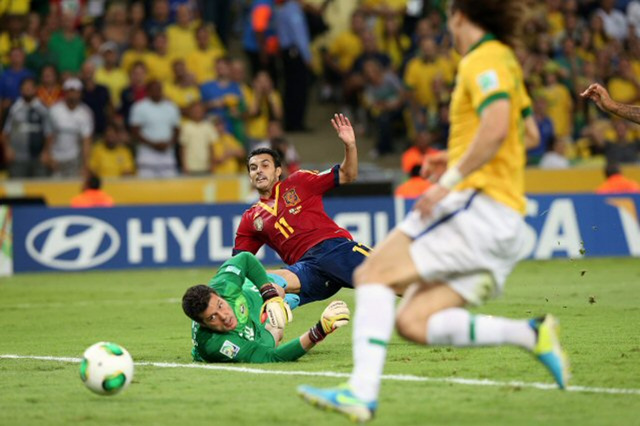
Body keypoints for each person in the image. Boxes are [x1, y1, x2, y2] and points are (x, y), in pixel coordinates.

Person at [298, 2, 569, 422]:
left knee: (372, 274)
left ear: (460, 15)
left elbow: (498, 127)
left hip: (477, 204)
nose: (448, 27)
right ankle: (530, 334)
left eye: (449, 19)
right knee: (414, 321)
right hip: (500, 217)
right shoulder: (506, 63)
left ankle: (361, 393)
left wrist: (447, 182)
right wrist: (455, 155)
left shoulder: (484, 58)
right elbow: (527, 132)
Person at [233, 114, 369, 309]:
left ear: (278, 171)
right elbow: (238, 262)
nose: (259, 171)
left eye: (265, 165)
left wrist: (350, 145)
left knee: (395, 281)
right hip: (306, 270)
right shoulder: (250, 219)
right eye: (253, 168)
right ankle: (276, 317)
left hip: (334, 250)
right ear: (249, 176)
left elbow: (348, 175)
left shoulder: (300, 182)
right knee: (257, 282)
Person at [181, 251, 350, 363]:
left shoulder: (224, 285)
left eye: (220, 305)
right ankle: (282, 307)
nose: (224, 316)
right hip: (254, 333)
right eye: (212, 318)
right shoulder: (217, 345)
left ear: (218, 296)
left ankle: (285, 295)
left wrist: (269, 295)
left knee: (279, 288)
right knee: (277, 330)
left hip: (251, 296)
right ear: (203, 324)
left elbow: (246, 258)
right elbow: (272, 357)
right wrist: (319, 331)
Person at [1, 77, 53, 178]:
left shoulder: (43, 108)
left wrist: (46, 152)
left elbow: (49, 133)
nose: (28, 90)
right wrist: (7, 149)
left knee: (40, 189)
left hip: (39, 158)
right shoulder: (13, 108)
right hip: (18, 158)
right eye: (25, 88)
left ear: (35, 89)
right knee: (18, 190)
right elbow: (5, 132)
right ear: (20, 90)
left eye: (30, 87)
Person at [129, 80, 181, 178]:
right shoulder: (139, 107)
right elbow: (135, 131)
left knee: (170, 188)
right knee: (145, 189)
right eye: (154, 90)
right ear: (148, 91)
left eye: (159, 89)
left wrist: (168, 144)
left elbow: (177, 130)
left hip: (167, 154)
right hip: (147, 155)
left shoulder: (171, 107)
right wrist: (153, 145)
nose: (157, 92)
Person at [49, 78, 94, 178]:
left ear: (80, 93)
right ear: (65, 92)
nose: (73, 95)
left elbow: (86, 141)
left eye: (76, 92)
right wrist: (49, 156)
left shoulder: (85, 113)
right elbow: (49, 135)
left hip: (74, 160)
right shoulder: (55, 110)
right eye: (70, 91)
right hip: (56, 158)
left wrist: (85, 165)